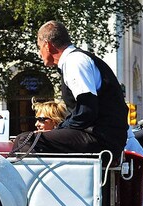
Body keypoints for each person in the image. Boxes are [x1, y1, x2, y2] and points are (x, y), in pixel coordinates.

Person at [29, 20, 129, 157]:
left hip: (100, 138)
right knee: (36, 139)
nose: (39, 53)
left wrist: (58, 130)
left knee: (27, 141)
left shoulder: (74, 62)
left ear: (47, 45)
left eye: (39, 47)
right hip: (106, 136)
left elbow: (86, 111)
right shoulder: (78, 60)